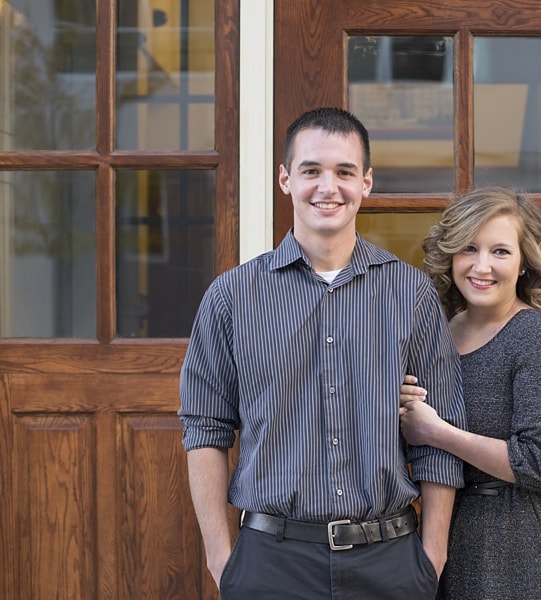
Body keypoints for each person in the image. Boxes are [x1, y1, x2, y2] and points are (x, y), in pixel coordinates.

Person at [179, 107, 466, 599]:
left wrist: (432, 555)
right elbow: (205, 427)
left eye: (344, 172)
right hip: (271, 564)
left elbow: (442, 430)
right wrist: (221, 559)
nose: (327, 187)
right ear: (286, 179)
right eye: (311, 170)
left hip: (390, 562)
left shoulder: (410, 294)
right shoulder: (231, 297)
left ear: (366, 183)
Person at [399, 186, 541, 599]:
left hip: (521, 547)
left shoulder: (535, 338)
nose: (482, 266)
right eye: (469, 248)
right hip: (448, 534)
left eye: (500, 251)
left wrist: (436, 431)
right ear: (451, 255)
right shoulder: (437, 335)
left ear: (523, 264)